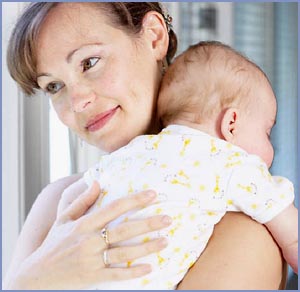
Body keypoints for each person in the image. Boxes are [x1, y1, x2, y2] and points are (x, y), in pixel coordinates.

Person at [4, 2, 286, 290]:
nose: (77, 103)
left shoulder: (241, 231)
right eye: (53, 86)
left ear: (154, 36)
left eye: (89, 63)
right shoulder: (56, 202)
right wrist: (35, 278)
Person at [79, 41, 298, 289]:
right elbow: (294, 237)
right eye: (266, 132)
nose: (271, 149)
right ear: (232, 124)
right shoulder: (233, 163)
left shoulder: (128, 154)